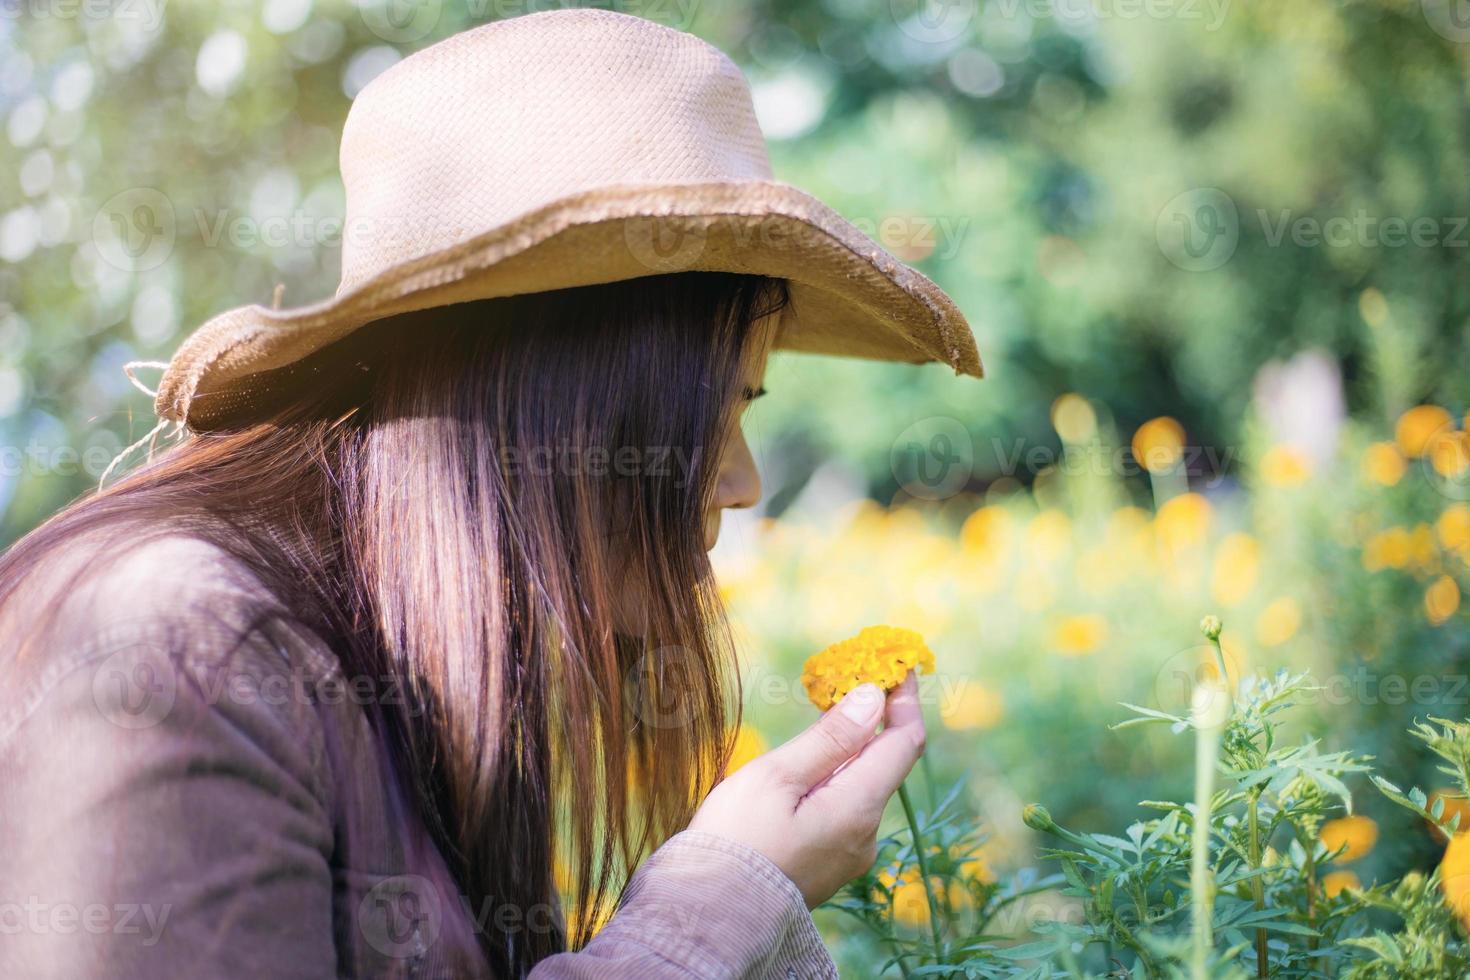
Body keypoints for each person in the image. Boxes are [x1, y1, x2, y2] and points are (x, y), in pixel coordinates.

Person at [0, 9, 980, 978]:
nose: (743, 480)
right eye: (720, 409)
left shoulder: (433, 677)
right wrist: (721, 899)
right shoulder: (179, 659)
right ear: (557, 400)